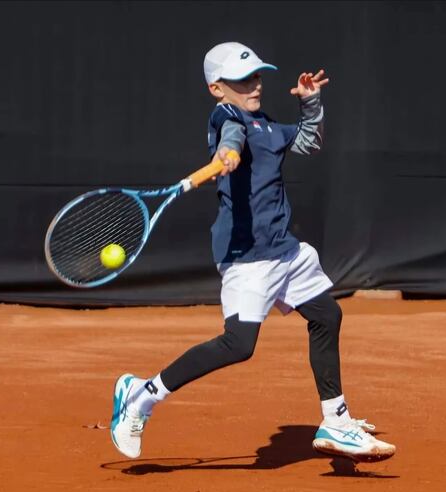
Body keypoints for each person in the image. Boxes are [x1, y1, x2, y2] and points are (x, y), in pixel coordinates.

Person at [110, 42, 396, 463]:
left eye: (257, 76)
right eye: (242, 80)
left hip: (285, 250)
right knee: (239, 345)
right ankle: (142, 395)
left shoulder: (266, 124)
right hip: (248, 256)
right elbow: (231, 135)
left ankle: (336, 421)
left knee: (326, 315)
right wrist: (228, 153)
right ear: (217, 88)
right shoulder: (226, 116)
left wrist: (311, 103)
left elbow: (309, 143)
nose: (254, 85)